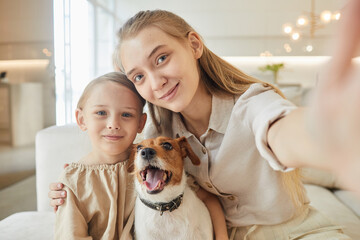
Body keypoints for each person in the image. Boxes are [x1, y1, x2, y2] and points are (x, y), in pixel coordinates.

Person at [50, 1, 360, 239]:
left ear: (194, 45)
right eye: (139, 76)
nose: (156, 82)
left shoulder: (251, 103)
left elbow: (280, 130)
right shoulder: (160, 132)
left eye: (161, 58)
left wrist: (325, 133)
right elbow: (118, 161)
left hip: (298, 231)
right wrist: (72, 186)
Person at [54, 72, 229, 240]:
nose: (113, 124)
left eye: (126, 114)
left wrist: (221, 236)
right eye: (101, 113)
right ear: (81, 119)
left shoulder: (153, 163)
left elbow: (206, 197)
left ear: (141, 123)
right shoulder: (72, 182)